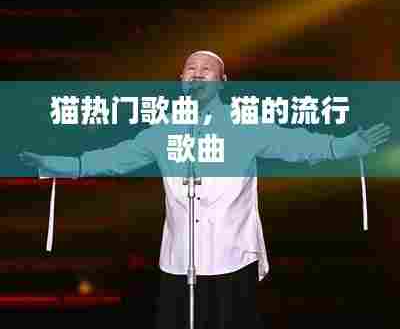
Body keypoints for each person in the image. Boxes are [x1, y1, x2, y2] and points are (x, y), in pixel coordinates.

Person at [19, 50, 390, 328]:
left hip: (232, 255)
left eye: (206, 69)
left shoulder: (245, 125)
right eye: (190, 69)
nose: (197, 74)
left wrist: (341, 147)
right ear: (181, 79)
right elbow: (114, 158)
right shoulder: (163, 130)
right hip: (179, 259)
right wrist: (64, 165)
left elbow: (295, 143)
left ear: (222, 81)